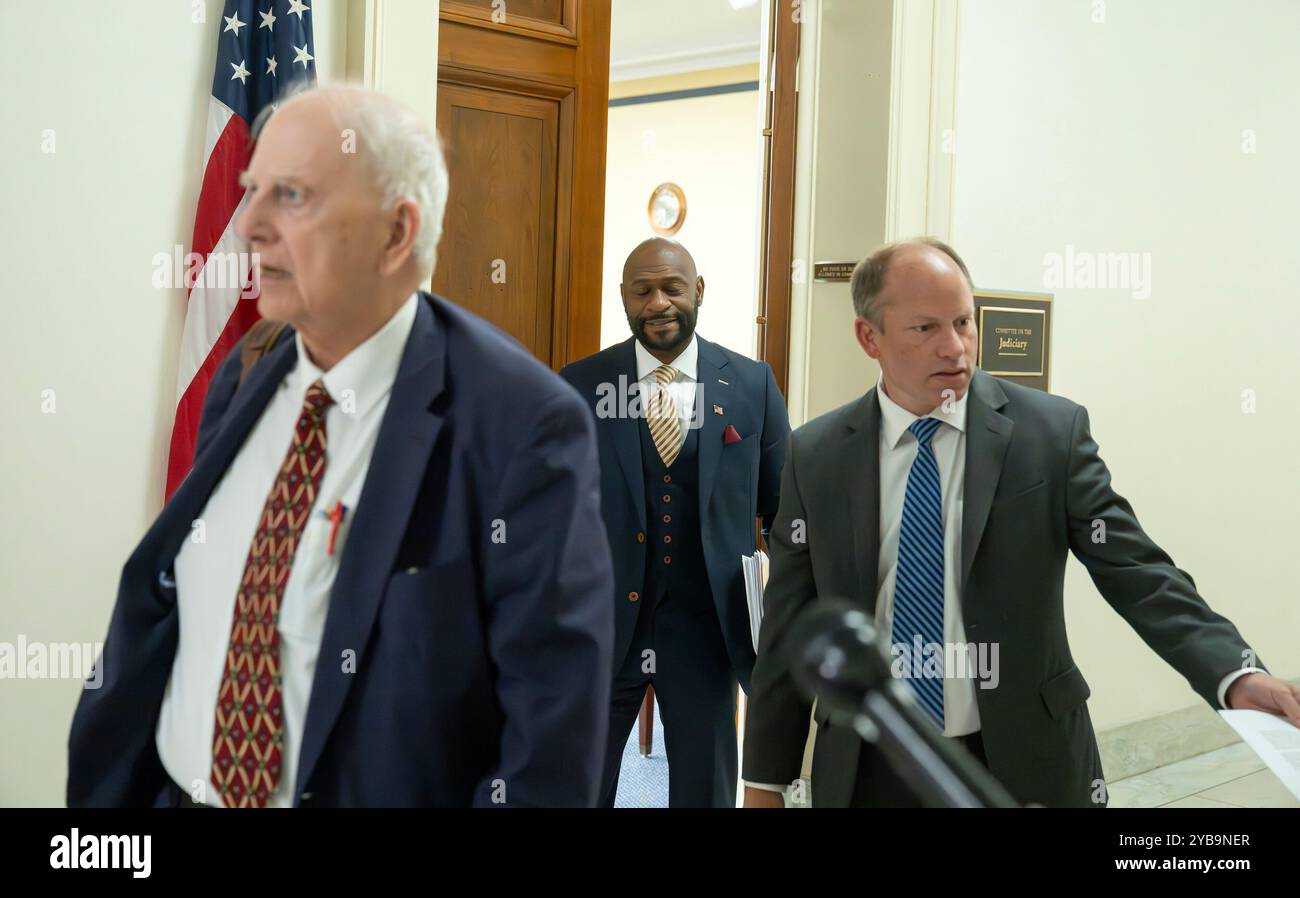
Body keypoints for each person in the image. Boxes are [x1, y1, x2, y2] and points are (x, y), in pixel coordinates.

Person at [67, 85, 614, 808]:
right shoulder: (249, 376)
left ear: (396, 233)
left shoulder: (524, 425)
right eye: (252, 190)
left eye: (291, 196)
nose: (251, 226)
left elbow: (550, 748)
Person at [742, 237, 1300, 808]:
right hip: (871, 766)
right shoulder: (816, 455)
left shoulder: (1048, 436)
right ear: (870, 337)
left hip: (1024, 757)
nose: (954, 347)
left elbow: (1137, 572)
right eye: (925, 328)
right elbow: (789, 625)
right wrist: (763, 779)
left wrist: (1235, 673)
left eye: (963, 321)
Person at [560, 238, 790, 807]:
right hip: (604, 629)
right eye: (642, 291)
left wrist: (786, 620)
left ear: (699, 292)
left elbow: (784, 514)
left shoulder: (752, 384)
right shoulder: (580, 383)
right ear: (624, 299)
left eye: (671, 288)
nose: (658, 302)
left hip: (707, 631)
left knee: (705, 791)